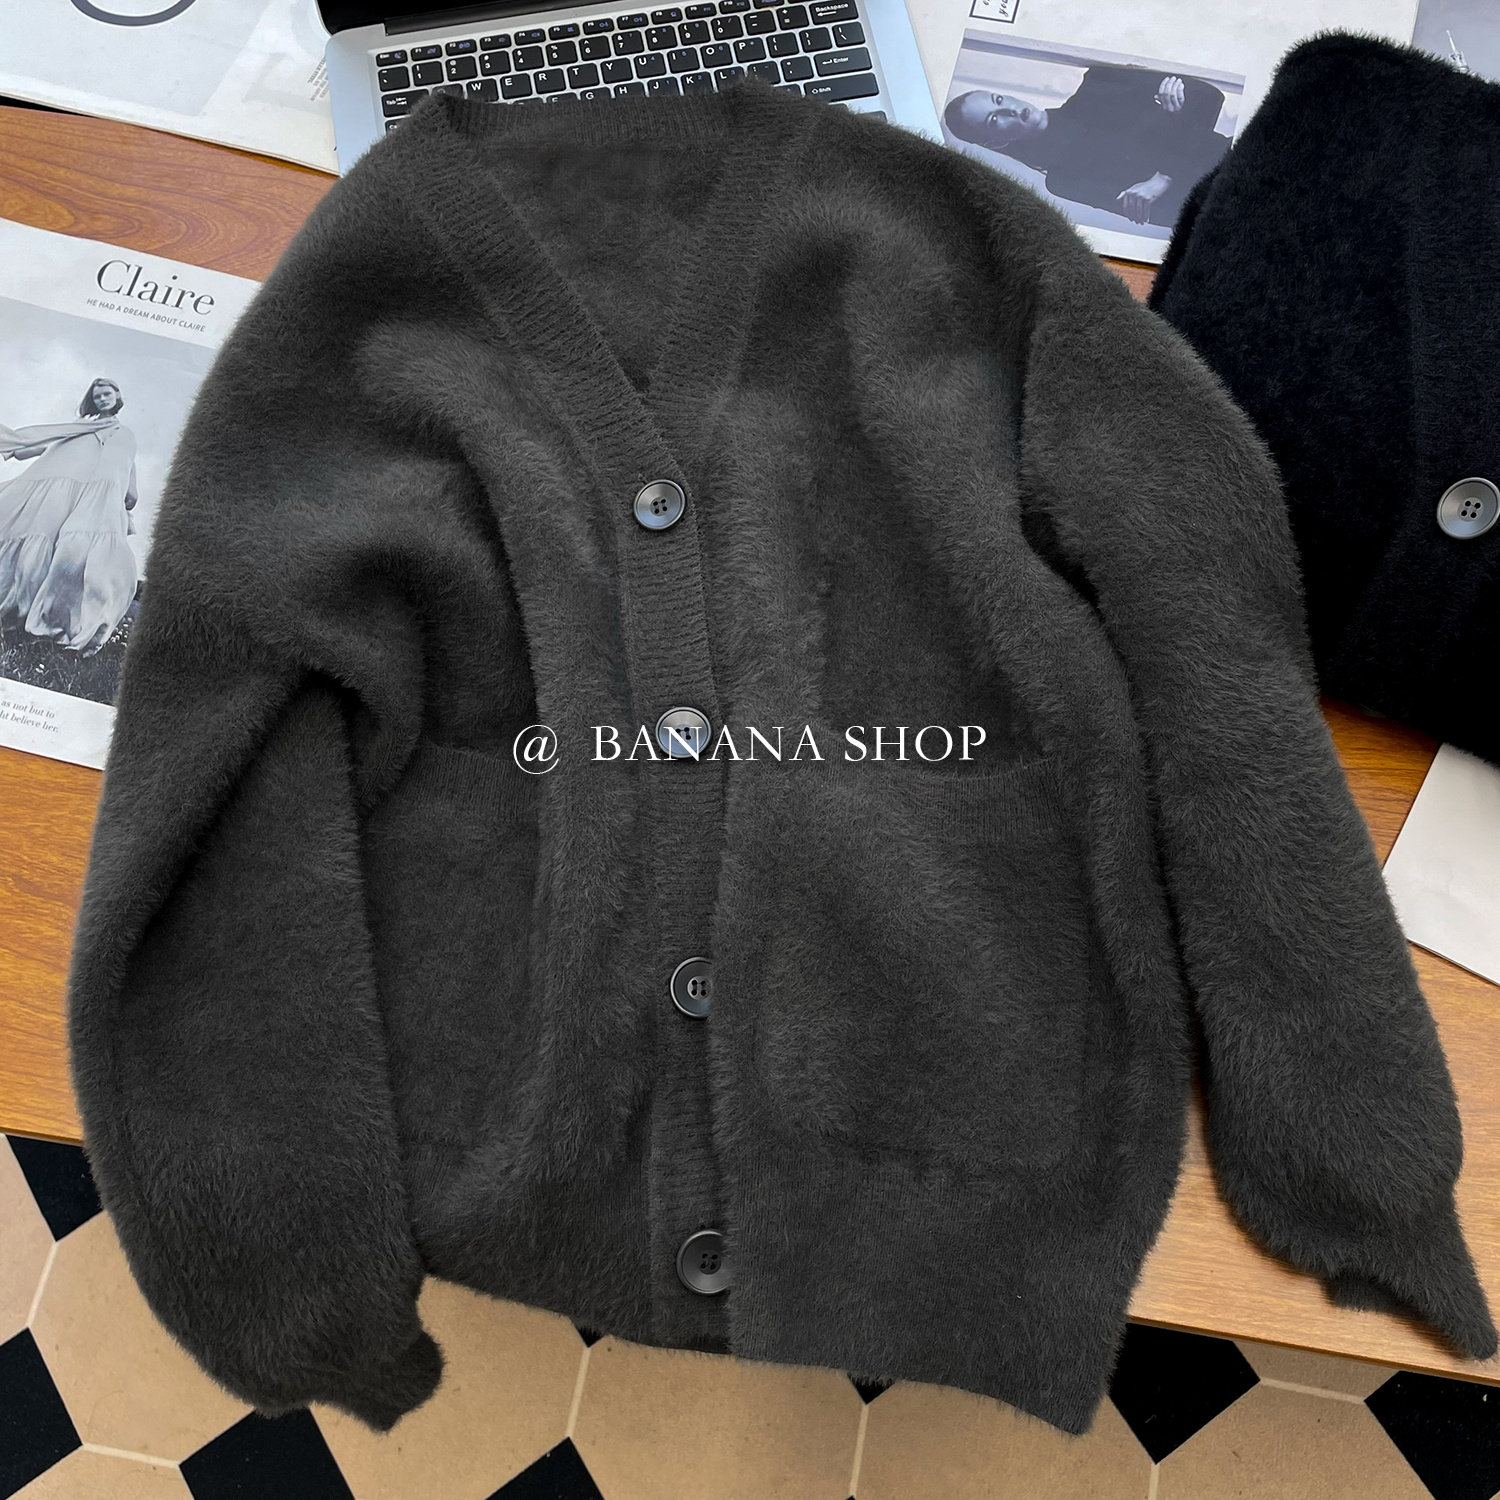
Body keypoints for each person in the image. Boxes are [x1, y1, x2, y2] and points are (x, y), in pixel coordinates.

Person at [944, 64, 1233, 226]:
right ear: (996, 142)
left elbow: (1208, 96)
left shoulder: (1101, 83)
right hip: (1221, 210)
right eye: (995, 119)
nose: (1010, 109)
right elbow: (1170, 213)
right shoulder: (1063, 181)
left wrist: (1163, 177)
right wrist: (1179, 124)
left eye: (998, 99)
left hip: (1235, 156)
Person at [0, 377, 140, 657]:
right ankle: (22, 617)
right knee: (46, 548)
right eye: (97, 396)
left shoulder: (126, 434)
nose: (102, 399)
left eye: (106, 393)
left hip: (99, 501)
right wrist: (20, 448)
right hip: (65, 495)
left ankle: (67, 624)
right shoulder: (81, 427)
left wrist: (132, 489)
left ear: (117, 395)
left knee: (80, 556)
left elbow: (128, 463)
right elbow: (53, 445)